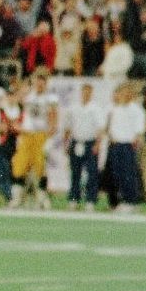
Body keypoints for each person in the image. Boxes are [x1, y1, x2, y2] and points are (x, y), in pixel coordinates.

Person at [13, 73, 58, 208]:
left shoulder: (50, 98)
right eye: (37, 82)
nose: (39, 85)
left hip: (41, 135)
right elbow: (16, 106)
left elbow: (54, 117)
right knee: (20, 166)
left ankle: (42, 198)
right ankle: (18, 197)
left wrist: (50, 136)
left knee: (40, 167)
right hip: (27, 135)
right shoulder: (28, 96)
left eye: (42, 82)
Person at [62, 82, 106, 210]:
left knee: (92, 173)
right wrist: (66, 143)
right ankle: (74, 199)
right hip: (76, 142)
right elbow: (68, 127)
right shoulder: (74, 107)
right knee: (75, 172)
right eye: (84, 92)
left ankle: (90, 200)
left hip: (90, 142)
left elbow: (100, 128)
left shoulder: (95, 108)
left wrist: (97, 144)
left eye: (88, 92)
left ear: (91, 93)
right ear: (81, 93)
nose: (86, 94)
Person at [105, 82, 146, 212]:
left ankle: (131, 201)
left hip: (128, 145)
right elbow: (111, 127)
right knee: (117, 174)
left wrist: (137, 139)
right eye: (122, 92)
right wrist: (111, 137)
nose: (124, 95)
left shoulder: (137, 109)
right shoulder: (116, 109)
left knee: (128, 173)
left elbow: (139, 128)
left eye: (126, 92)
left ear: (131, 94)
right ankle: (122, 200)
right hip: (115, 145)